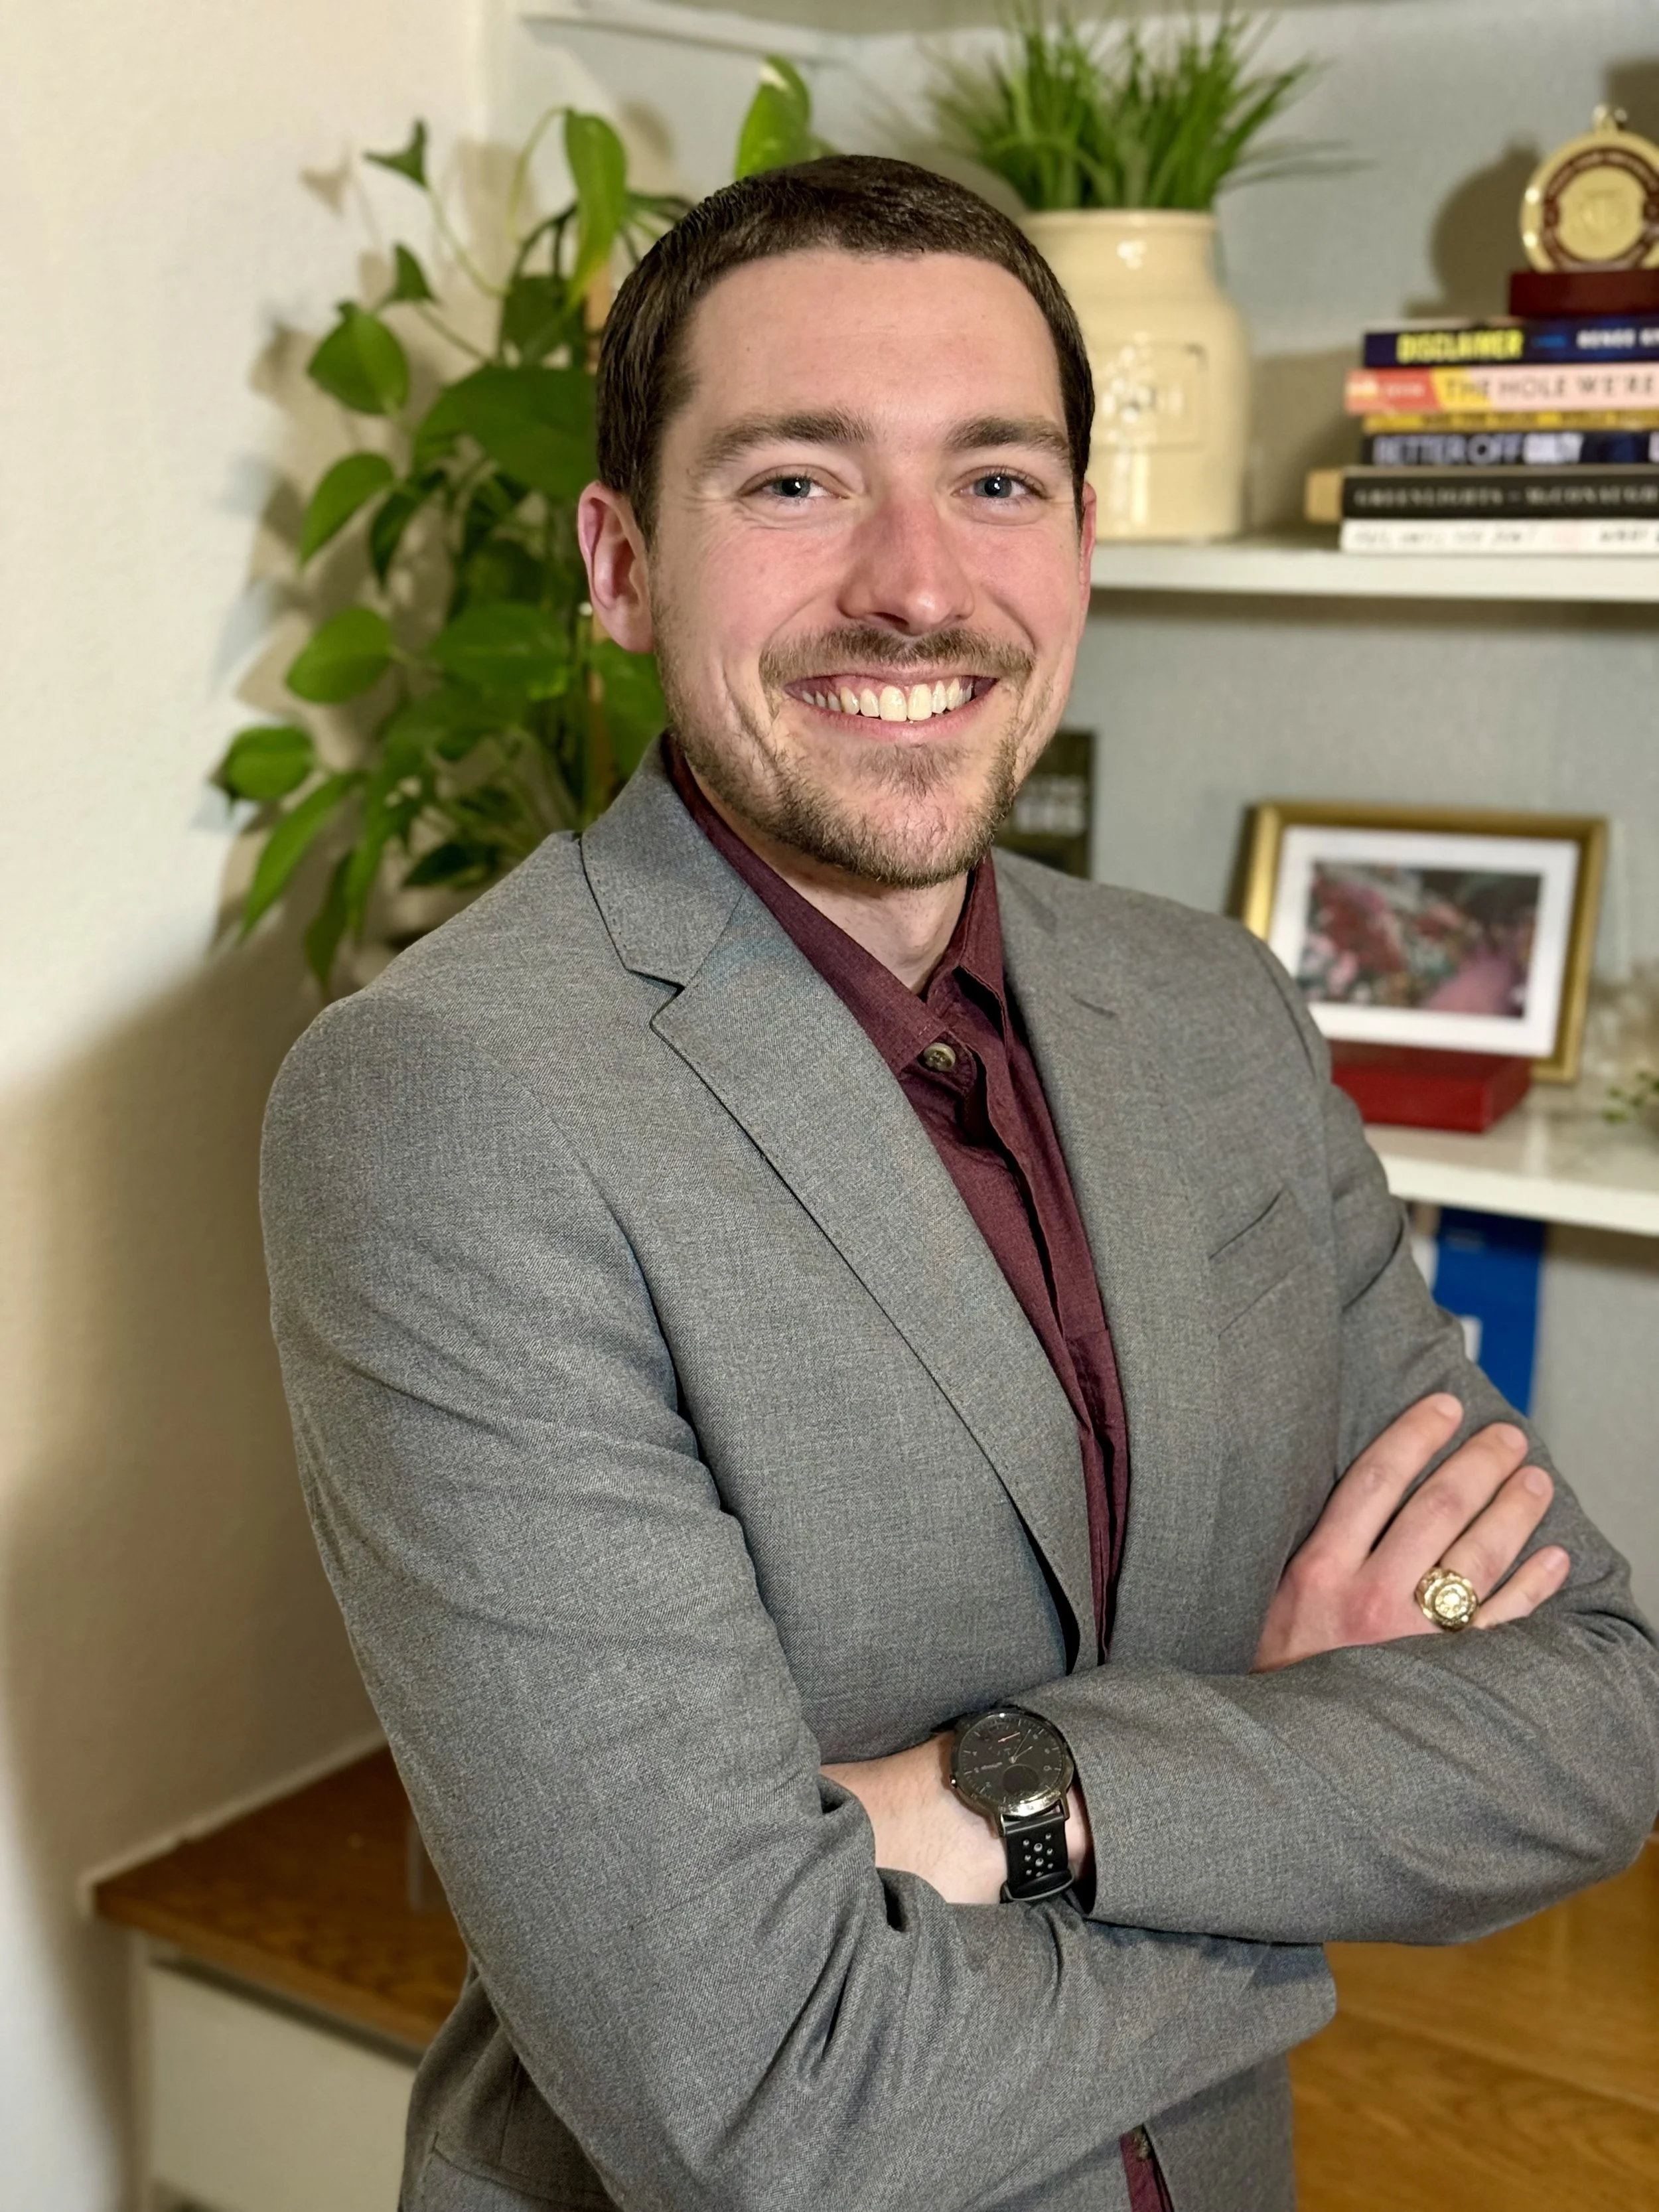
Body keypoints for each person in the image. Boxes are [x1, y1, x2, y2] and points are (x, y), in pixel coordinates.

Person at [261, 157, 1659, 2212]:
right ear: (620, 563)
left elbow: (1592, 1717)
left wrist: (1012, 1800)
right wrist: (1301, 1795)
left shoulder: (1209, 1007)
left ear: (1083, 542)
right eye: (795, 481)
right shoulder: (448, 1104)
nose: (917, 583)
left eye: (997, 480)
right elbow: (766, 2088)